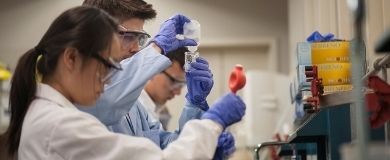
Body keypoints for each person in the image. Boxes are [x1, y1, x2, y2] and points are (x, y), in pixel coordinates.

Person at [4, 6, 246, 160]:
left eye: (141, 38)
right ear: (71, 57)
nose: (131, 50)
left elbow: (160, 147)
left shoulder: (131, 104)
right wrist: (211, 125)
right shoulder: (63, 120)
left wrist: (198, 116)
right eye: (126, 36)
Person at [81, 0, 236, 158]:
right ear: (95, 35)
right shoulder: (80, 95)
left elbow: (164, 149)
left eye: (140, 39)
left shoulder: (136, 106)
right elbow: (107, 101)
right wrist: (157, 48)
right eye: (128, 36)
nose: (135, 49)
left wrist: (202, 135)